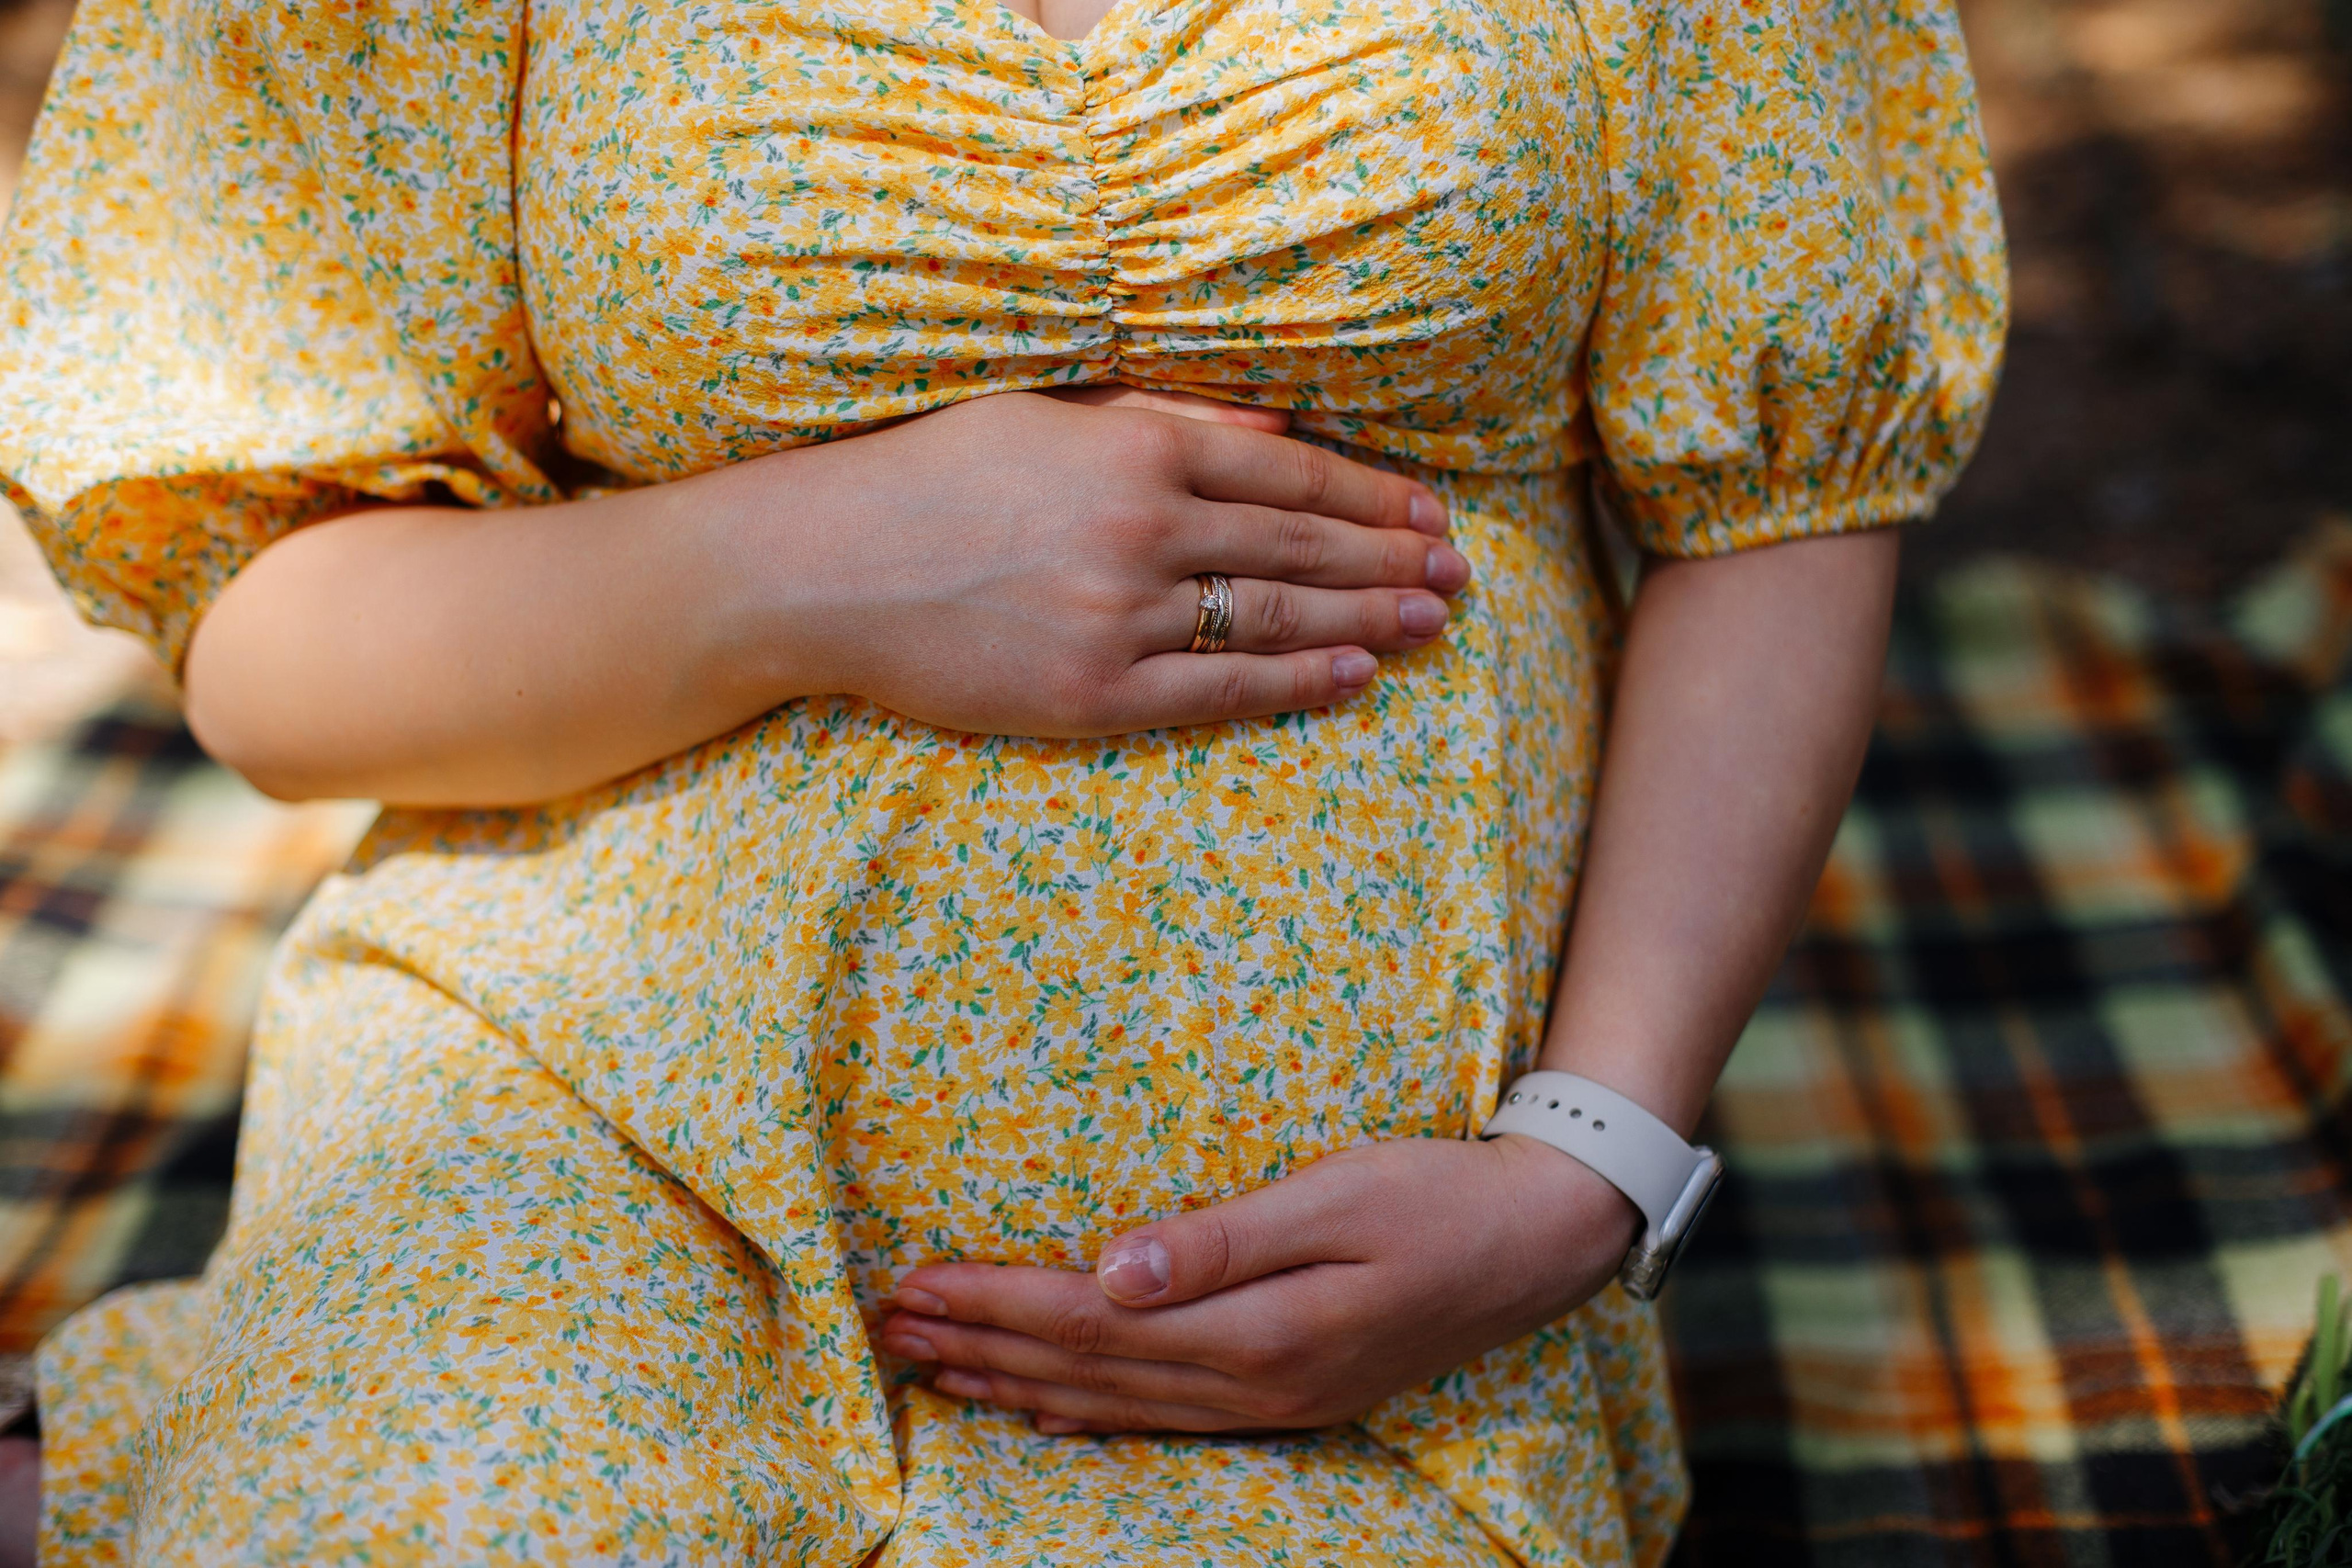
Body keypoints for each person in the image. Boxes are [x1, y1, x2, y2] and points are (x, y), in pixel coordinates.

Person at [0, 0, 2005, 1556]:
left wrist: (1588, 1164)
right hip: (584, 1123)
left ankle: (167, 1444)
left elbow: (1778, 503)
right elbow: (268, 648)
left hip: (1321, 1304)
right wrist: (803, 567)